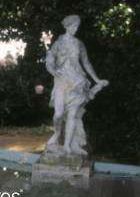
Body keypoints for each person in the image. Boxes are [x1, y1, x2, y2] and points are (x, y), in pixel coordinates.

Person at [45, 14, 109, 155]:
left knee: (73, 115)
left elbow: (86, 63)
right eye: (73, 26)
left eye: (77, 27)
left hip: (77, 82)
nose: (75, 29)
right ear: (67, 26)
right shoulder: (58, 43)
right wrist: (53, 71)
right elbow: (49, 60)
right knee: (59, 113)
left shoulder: (79, 44)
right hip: (62, 81)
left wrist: (97, 80)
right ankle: (56, 135)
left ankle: (68, 146)